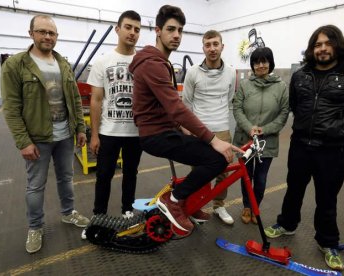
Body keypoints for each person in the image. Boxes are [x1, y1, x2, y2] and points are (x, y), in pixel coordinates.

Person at [264, 25, 344, 271]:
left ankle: (328, 242)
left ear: (337, 45)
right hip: (300, 145)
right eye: (317, 45)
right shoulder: (301, 75)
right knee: (294, 189)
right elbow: (294, 104)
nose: (322, 49)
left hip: (332, 150)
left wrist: (341, 131)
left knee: (327, 198)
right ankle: (287, 224)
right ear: (312, 49)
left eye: (326, 43)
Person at [129, 5, 242, 235]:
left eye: (180, 30)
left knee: (208, 158)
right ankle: (174, 199)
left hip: (165, 130)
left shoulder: (160, 62)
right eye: (171, 29)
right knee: (217, 160)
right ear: (158, 31)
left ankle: (185, 202)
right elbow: (177, 107)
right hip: (156, 135)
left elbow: (168, 108)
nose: (177, 35)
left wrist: (183, 128)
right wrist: (212, 139)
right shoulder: (153, 64)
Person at [1, 15, 90, 254]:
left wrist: (80, 128)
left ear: (56, 37)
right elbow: (10, 107)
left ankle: (68, 213)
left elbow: (74, 100)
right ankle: (35, 226)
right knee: (35, 185)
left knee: (66, 178)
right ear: (31, 33)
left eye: (52, 33)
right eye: (42, 32)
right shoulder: (16, 64)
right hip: (37, 139)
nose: (47, 37)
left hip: (64, 136)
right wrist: (23, 141)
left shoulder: (63, 64)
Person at [86, 10, 143, 221]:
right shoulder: (103, 61)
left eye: (137, 29)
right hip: (108, 131)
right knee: (104, 175)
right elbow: (96, 100)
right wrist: (94, 134)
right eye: (128, 27)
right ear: (118, 29)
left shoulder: (143, 62)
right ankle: (98, 215)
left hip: (135, 131)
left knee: (131, 173)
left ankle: (127, 209)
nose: (132, 33)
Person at [182, 30, 236, 225]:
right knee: (198, 172)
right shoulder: (193, 72)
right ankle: (195, 207)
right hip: (199, 131)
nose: (212, 48)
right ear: (203, 48)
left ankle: (219, 205)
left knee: (223, 171)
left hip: (222, 128)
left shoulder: (231, 71)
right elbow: (186, 102)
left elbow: (229, 99)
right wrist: (188, 130)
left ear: (222, 46)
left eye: (215, 44)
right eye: (208, 45)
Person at [233, 47, 289, 225]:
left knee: (261, 178)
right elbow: (237, 108)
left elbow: (284, 113)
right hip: (246, 139)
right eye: (257, 62)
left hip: (267, 141)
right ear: (253, 65)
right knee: (246, 176)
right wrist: (250, 128)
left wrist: (265, 129)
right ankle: (247, 207)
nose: (260, 65)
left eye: (264, 61)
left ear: (270, 63)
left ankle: (256, 206)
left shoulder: (281, 87)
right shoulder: (244, 85)